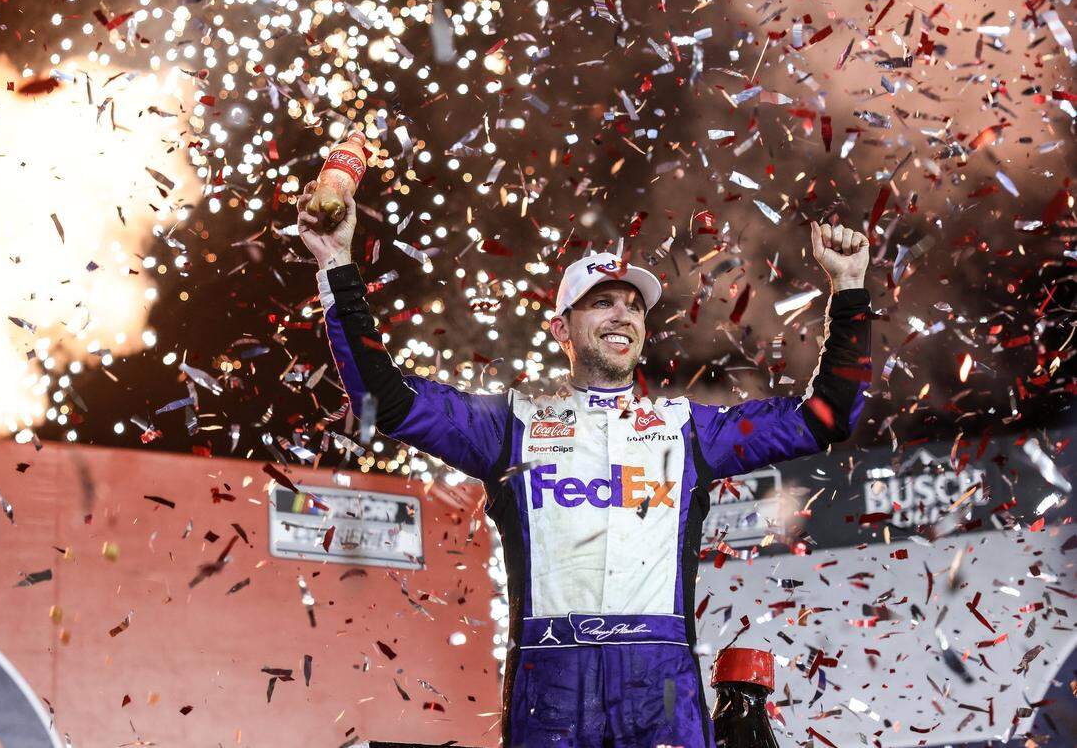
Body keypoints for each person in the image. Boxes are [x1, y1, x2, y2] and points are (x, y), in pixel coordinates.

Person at [298, 182, 872, 748]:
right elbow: (388, 399)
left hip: (660, 684)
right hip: (550, 683)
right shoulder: (509, 426)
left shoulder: (688, 429)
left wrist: (848, 288)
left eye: (633, 305)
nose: (622, 314)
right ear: (561, 329)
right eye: (601, 302)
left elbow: (825, 418)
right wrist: (336, 263)